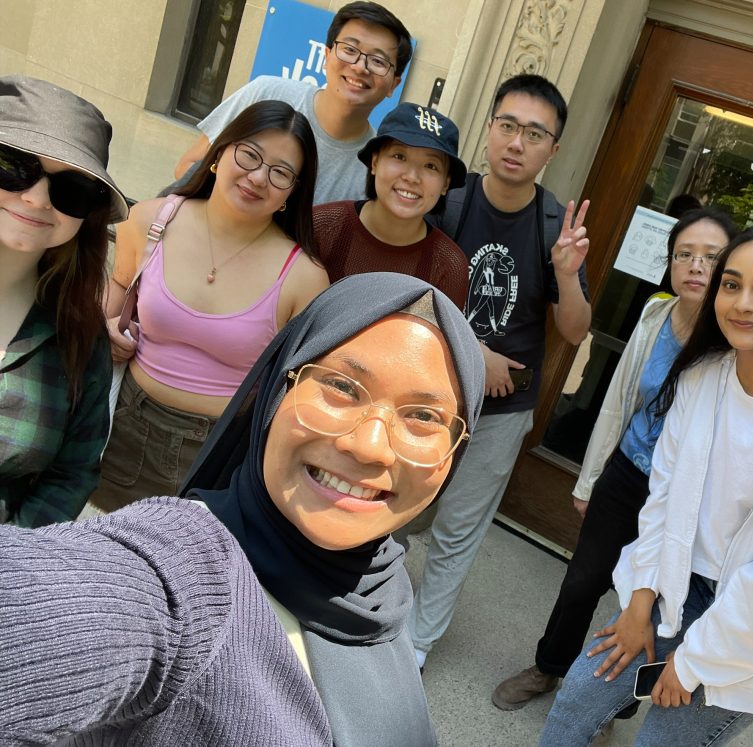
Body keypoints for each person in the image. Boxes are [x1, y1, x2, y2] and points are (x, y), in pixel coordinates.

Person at [0, 273, 485, 745]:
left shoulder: (380, 586)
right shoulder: (181, 576)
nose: (370, 447)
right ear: (277, 387)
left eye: (424, 417)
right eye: (341, 386)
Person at [538, 224, 753, 746]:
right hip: (676, 581)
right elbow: (662, 498)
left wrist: (689, 665)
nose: (743, 303)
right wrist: (639, 605)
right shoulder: (701, 377)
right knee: (577, 697)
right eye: (731, 284)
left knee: (661, 741)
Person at [492, 208, 737, 709]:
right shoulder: (655, 316)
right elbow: (619, 401)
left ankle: (612, 703)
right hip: (628, 472)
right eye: (684, 255)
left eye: (711, 258)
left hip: (683, 496)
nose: (695, 266)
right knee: (583, 579)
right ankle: (548, 667)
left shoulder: (734, 343)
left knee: (645, 605)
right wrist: (590, 479)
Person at [402, 73, 592, 670]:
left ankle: (416, 644)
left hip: (502, 411)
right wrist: (474, 351)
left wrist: (566, 271)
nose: (517, 143)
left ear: (552, 149)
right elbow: (411, 287)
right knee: (396, 504)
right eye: (507, 125)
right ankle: (366, 605)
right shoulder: (448, 199)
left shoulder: (553, 223)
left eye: (534, 134)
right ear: (489, 129)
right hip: (425, 385)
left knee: (458, 532)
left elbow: (576, 329)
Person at [90, 100, 329, 513]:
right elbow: (114, 297)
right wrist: (104, 331)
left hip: (219, 456)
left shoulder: (304, 277)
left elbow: (297, 389)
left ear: (292, 193)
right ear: (219, 154)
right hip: (122, 430)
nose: (257, 177)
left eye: (280, 172)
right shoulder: (147, 221)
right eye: (249, 155)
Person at [0, 75, 129, 527]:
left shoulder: (81, 338)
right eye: (13, 165)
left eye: (70, 189)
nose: (35, 199)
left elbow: (70, 475)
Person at [173, 1, 411, 204]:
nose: (360, 67)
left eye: (378, 61)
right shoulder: (267, 92)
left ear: (394, 84)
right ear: (326, 57)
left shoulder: (375, 166)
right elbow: (190, 166)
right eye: (350, 49)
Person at [312, 102, 469, 306]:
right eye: (399, 156)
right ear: (375, 162)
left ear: (445, 184)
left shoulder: (449, 266)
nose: (412, 177)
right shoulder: (320, 227)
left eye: (431, 166)